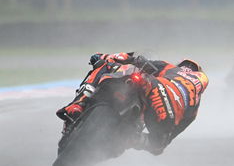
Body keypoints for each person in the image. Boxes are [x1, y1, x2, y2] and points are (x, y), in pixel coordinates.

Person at [56, 52, 209, 156]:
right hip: (165, 116)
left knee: (106, 66)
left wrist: (102, 57)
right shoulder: (193, 108)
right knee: (154, 144)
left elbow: (131, 59)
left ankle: (77, 104)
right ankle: (124, 139)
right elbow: (163, 143)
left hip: (154, 89)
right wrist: (136, 140)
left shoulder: (171, 68)